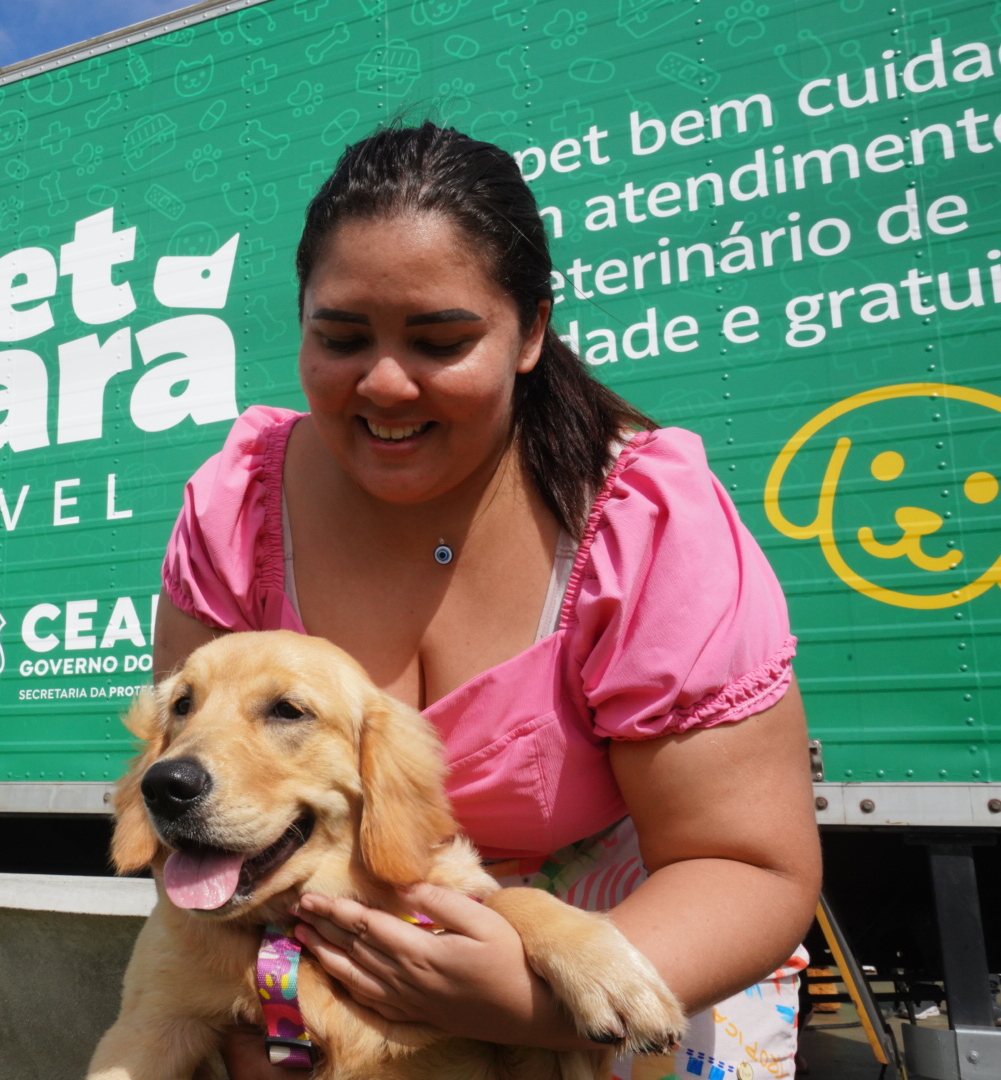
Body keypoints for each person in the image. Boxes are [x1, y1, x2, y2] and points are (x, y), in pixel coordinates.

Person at [152, 123, 822, 1079]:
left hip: (635, 985)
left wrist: (521, 1006)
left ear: (531, 332)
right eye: (340, 338)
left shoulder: (645, 524)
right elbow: (201, 834)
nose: (385, 383)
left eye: (441, 341)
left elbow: (746, 864)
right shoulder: (234, 510)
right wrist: (262, 1028)